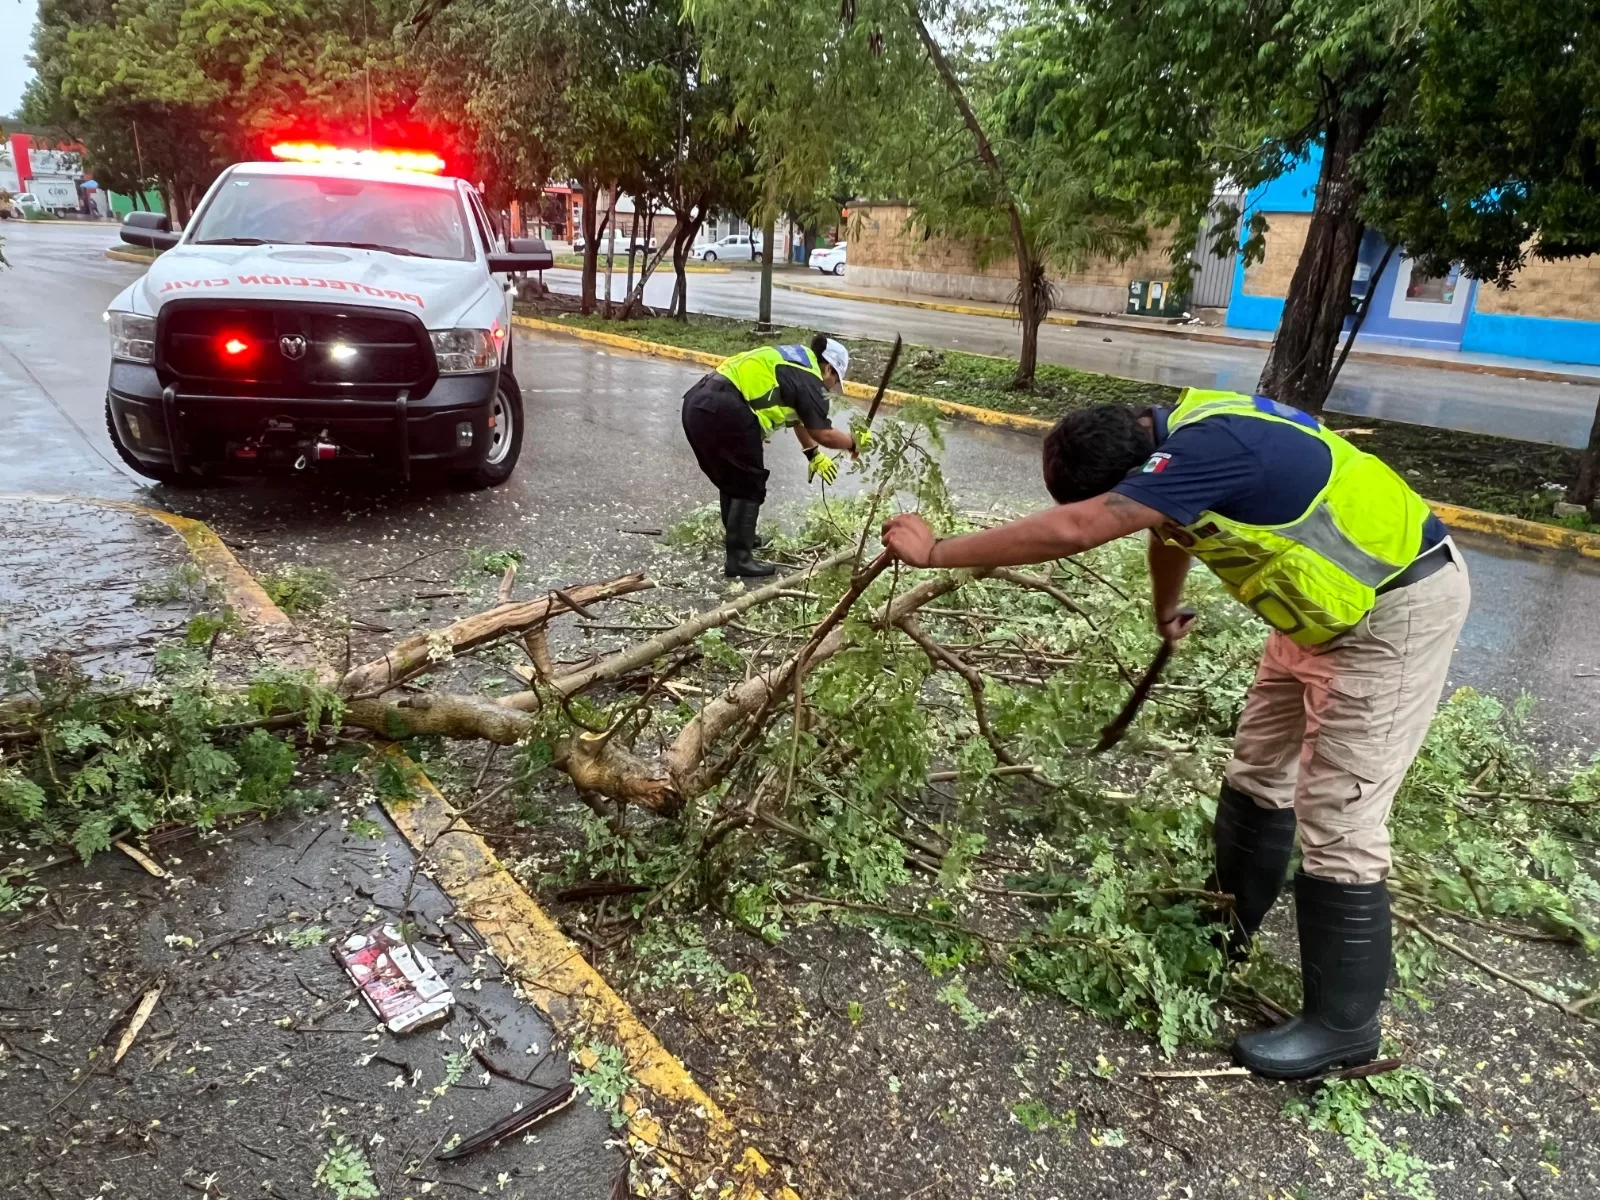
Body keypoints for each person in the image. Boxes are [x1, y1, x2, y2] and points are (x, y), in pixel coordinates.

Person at [880, 388, 1470, 1081]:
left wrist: (937, 551)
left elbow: (1078, 529)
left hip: (1392, 614)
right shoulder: (1166, 441)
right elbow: (1165, 529)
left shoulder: (1213, 445)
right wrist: (1166, 611)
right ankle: (1228, 928)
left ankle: (1344, 1028)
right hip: (1314, 615)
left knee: (1340, 814)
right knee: (1257, 770)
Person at [682, 334, 870, 577]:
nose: (831, 387)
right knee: (749, 484)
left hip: (700, 400)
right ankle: (739, 559)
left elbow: (799, 417)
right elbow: (823, 432)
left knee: (734, 476)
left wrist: (812, 454)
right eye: (834, 381)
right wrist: (853, 442)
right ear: (829, 369)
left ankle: (741, 537)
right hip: (724, 407)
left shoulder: (797, 361)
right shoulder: (811, 380)